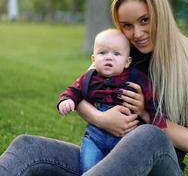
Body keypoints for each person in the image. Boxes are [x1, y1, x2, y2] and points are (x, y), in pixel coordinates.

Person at [0, 0, 188, 176]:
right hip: (110, 159)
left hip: (159, 164)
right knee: (27, 147)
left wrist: (146, 113)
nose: (137, 33)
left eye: (145, 20)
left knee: (149, 135)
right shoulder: (121, 53)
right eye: (127, 25)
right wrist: (102, 119)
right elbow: (82, 92)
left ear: (161, 14)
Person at [57, 28, 166, 173]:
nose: (109, 57)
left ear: (127, 62)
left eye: (116, 54)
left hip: (125, 138)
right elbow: (74, 90)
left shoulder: (136, 78)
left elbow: (153, 100)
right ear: (93, 60)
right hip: (95, 138)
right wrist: (67, 100)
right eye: (103, 53)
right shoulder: (89, 77)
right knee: (89, 169)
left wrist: (157, 122)